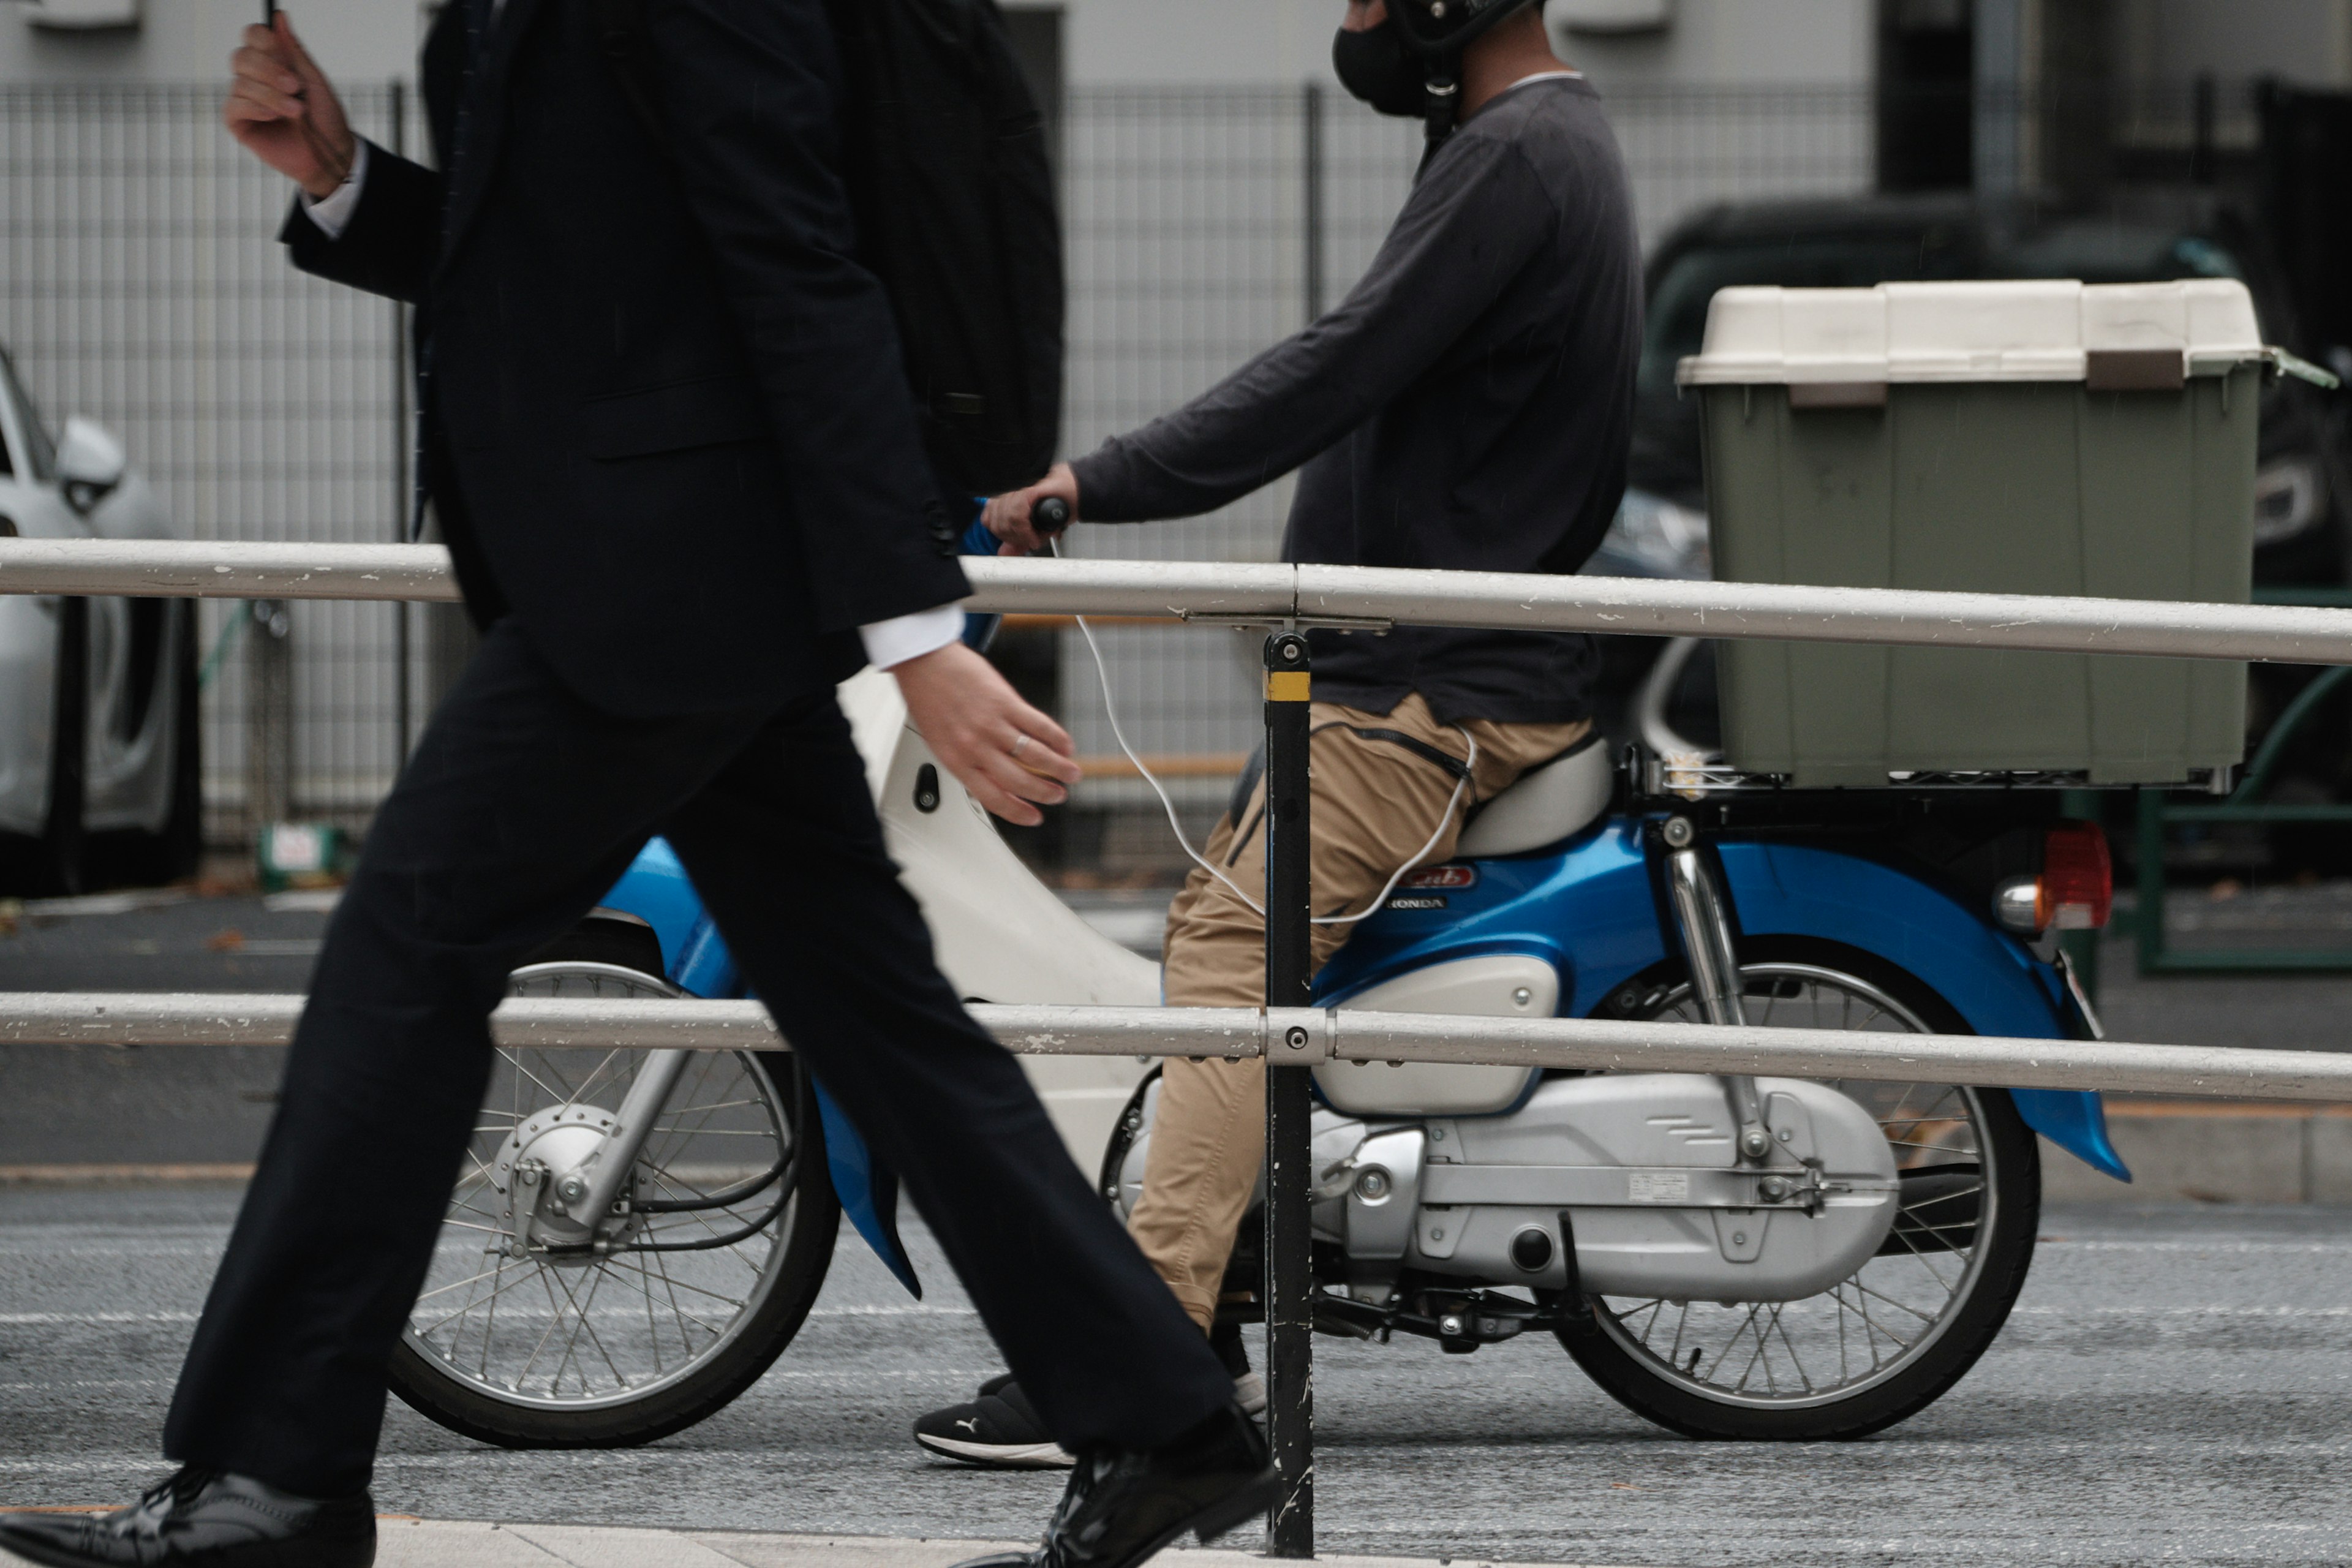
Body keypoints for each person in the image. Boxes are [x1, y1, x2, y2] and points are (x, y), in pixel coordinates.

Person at [0, 6, 1273, 1568]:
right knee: (877, 1009)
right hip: (674, 573)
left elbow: (800, 256)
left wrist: (916, 622)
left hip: (673, 585)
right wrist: (345, 181)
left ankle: (274, 1476)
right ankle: (1167, 1421)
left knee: (406, 946)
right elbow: (579, 270)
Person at [913, 0, 1640, 1468]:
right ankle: (1218, 1297)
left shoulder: (1517, 155)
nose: (1355, 17)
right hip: (1407, 667)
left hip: (1428, 689)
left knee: (1228, 954)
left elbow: (1330, 371)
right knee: (1246, 950)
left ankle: (1145, 1365)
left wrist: (1090, 484)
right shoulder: (1537, 143)